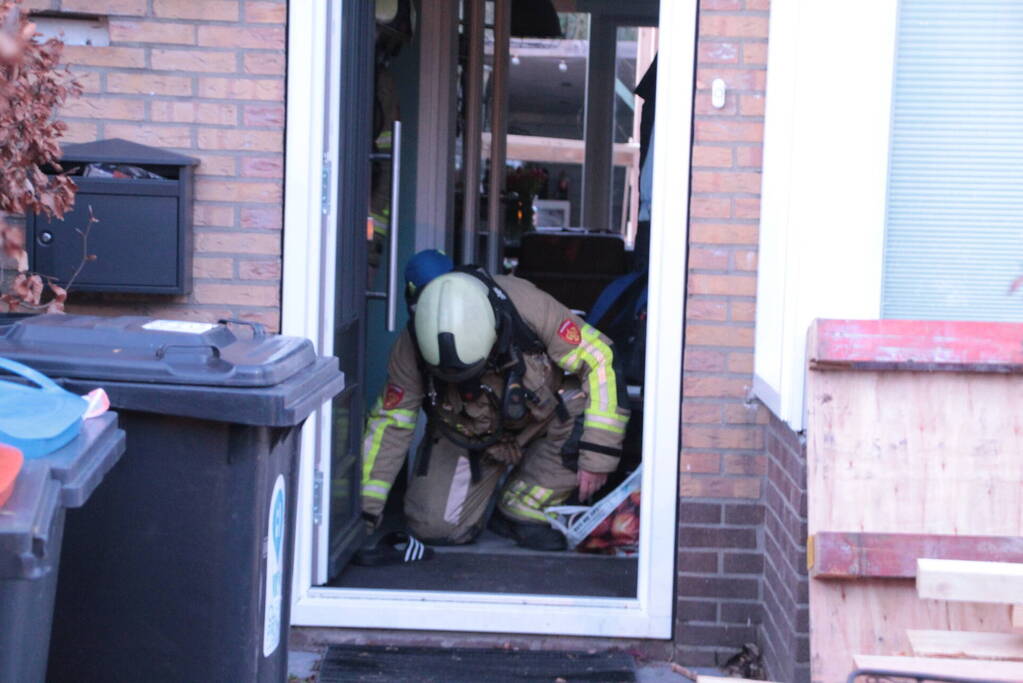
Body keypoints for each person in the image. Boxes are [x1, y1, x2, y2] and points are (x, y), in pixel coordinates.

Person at [358, 252, 629, 556]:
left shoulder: (525, 304)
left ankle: (520, 507)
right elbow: (390, 425)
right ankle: (477, 500)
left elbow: (600, 358)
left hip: (543, 421)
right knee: (434, 528)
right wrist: (362, 515)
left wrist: (598, 456)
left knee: (581, 403)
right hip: (470, 438)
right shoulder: (409, 349)